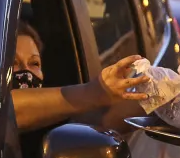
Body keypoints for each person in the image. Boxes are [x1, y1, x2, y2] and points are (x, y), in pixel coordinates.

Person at [10, 21, 149, 132]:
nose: (26, 72)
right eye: (12, 62)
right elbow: (6, 110)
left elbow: (105, 120)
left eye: (34, 63)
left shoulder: (52, 124)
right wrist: (95, 91)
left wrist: (157, 98)